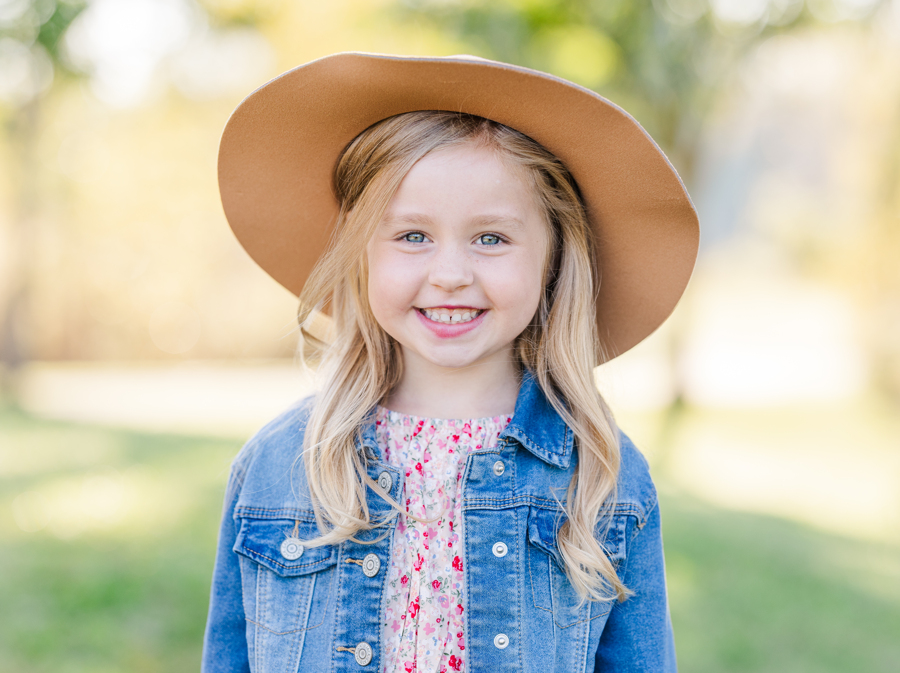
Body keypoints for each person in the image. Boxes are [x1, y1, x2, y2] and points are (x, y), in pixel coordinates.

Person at [202, 53, 699, 673]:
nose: (450, 275)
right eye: (412, 235)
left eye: (491, 238)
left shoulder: (603, 478)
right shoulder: (277, 466)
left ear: (552, 260)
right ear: (360, 254)